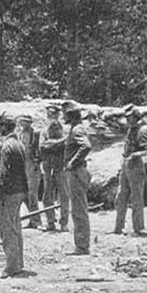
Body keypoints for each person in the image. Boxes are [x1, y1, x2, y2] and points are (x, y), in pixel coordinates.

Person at [0, 111, 29, 278]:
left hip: (9, 192)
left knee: (7, 229)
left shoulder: (7, 146)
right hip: (19, 191)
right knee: (16, 227)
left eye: (0, 126)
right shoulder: (19, 144)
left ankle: (12, 266)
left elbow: (3, 173)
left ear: (4, 127)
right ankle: (18, 262)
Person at [114, 105, 147, 235]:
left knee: (136, 198)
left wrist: (135, 155)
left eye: (129, 117)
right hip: (126, 165)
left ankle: (138, 228)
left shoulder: (141, 131)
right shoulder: (130, 130)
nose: (127, 119)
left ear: (135, 118)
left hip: (136, 166)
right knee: (121, 196)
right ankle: (118, 227)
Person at [62, 101, 92, 255]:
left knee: (79, 209)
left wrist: (73, 162)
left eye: (65, 114)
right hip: (75, 171)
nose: (63, 117)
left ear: (71, 115)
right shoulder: (75, 128)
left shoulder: (78, 129)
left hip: (77, 172)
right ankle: (81, 244)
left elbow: (86, 146)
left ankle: (82, 246)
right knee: (77, 208)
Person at [40, 103, 69, 232]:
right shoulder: (44, 131)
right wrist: (59, 142)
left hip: (61, 166)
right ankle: (50, 221)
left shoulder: (65, 130)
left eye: (55, 114)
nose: (53, 117)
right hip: (47, 166)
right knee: (47, 195)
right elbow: (43, 146)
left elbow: (68, 145)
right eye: (50, 114)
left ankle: (64, 222)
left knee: (63, 195)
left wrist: (53, 143)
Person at [17, 114, 42, 229]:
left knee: (32, 194)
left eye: (24, 122)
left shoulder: (35, 135)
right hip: (23, 166)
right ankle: (32, 219)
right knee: (25, 194)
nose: (22, 124)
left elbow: (38, 150)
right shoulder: (20, 134)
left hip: (32, 166)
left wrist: (36, 163)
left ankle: (37, 221)